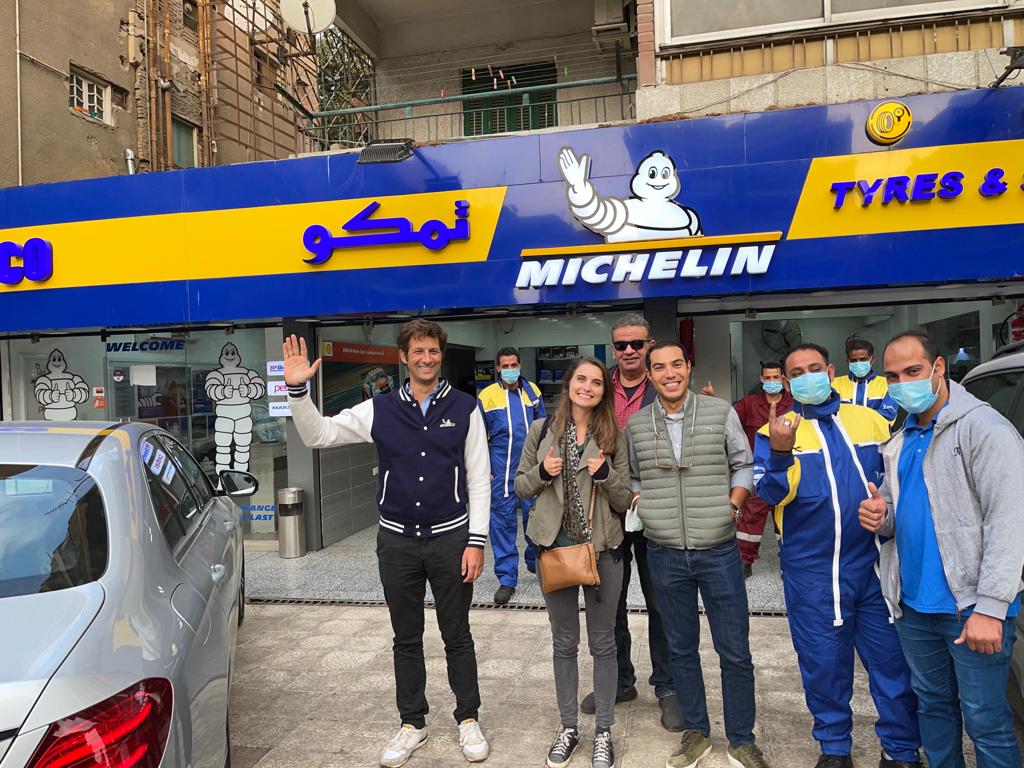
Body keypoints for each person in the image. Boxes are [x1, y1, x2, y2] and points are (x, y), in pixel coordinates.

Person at [281, 321, 492, 768]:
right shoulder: (380, 408)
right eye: (418, 351)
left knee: (457, 634)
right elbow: (319, 435)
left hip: (451, 540)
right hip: (397, 544)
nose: (426, 358)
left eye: (433, 351)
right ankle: (412, 723)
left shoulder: (465, 407)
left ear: (441, 355)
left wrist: (476, 542)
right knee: (406, 637)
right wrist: (298, 392)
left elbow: (479, 479)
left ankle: (468, 717)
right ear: (403, 357)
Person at [860, 331, 1024, 768]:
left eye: (912, 371)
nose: (902, 384)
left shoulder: (984, 429)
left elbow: (1009, 522)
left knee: (986, 720)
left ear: (938, 368)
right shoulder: (902, 438)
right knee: (933, 708)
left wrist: (991, 608)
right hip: (914, 606)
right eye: (893, 376)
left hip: (970, 608)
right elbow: (903, 511)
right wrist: (882, 516)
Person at [754, 343, 921, 768]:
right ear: (786, 382)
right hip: (812, 572)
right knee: (823, 664)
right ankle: (834, 749)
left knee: (891, 663)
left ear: (830, 372)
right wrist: (780, 452)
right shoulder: (774, 432)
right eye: (797, 373)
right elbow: (770, 494)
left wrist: (887, 513)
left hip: (875, 565)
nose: (807, 377)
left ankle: (900, 750)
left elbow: (899, 485)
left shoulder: (871, 421)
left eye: (814, 368)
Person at [628, 340, 769, 768]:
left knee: (735, 650)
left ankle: (741, 739)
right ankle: (697, 732)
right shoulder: (637, 424)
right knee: (680, 649)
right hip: (664, 552)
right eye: (659, 367)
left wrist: (732, 507)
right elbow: (633, 477)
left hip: (718, 549)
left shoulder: (719, 411)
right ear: (649, 375)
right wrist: (644, 506)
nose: (669, 373)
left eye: (677, 364)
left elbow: (744, 464)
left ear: (689, 367)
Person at [516, 356, 633, 768]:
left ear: (604, 392)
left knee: (604, 644)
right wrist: (543, 472)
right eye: (581, 379)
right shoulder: (541, 430)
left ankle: (603, 731)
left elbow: (625, 499)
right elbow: (520, 486)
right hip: (554, 550)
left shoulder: (613, 436)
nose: (587, 387)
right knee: (564, 643)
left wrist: (605, 474)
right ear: (568, 385)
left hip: (602, 552)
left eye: (596, 382)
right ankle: (568, 727)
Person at [580, 313, 684, 732]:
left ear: (649, 345)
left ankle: (669, 687)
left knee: (662, 604)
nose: (628, 351)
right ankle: (620, 681)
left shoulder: (666, 387)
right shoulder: (597, 387)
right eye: (621, 345)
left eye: (636, 344)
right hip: (607, 515)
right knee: (610, 606)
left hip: (654, 511)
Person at [478, 346, 546, 604]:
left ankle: (534, 561)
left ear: (520, 366)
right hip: (501, 471)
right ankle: (507, 579)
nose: (509, 370)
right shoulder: (487, 396)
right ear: (498, 368)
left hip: (530, 470)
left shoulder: (533, 391)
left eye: (513, 365)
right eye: (505, 366)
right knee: (502, 524)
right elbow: (477, 437)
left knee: (535, 518)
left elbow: (544, 430)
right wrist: (484, 469)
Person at [732, 361, 793, 577]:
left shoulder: (793, 404)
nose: (772, 381)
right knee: (751, 516)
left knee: (786, 515)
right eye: (767, 378)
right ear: (761, 379)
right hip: (757, 471)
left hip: (786, 469)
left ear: (783, 379)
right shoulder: (749, 404)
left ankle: (789, 558)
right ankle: (744, 560)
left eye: (776, 377)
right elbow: (729, 420)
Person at [832, 337, 898, 423]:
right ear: (848, 361)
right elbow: (831, 414)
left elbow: (888, 414)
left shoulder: (887, 384)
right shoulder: (835, 384)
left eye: (863, 359)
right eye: (853, 360)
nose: (858, 363)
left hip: (877, 432)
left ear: (872, 359)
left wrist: (852, 417)